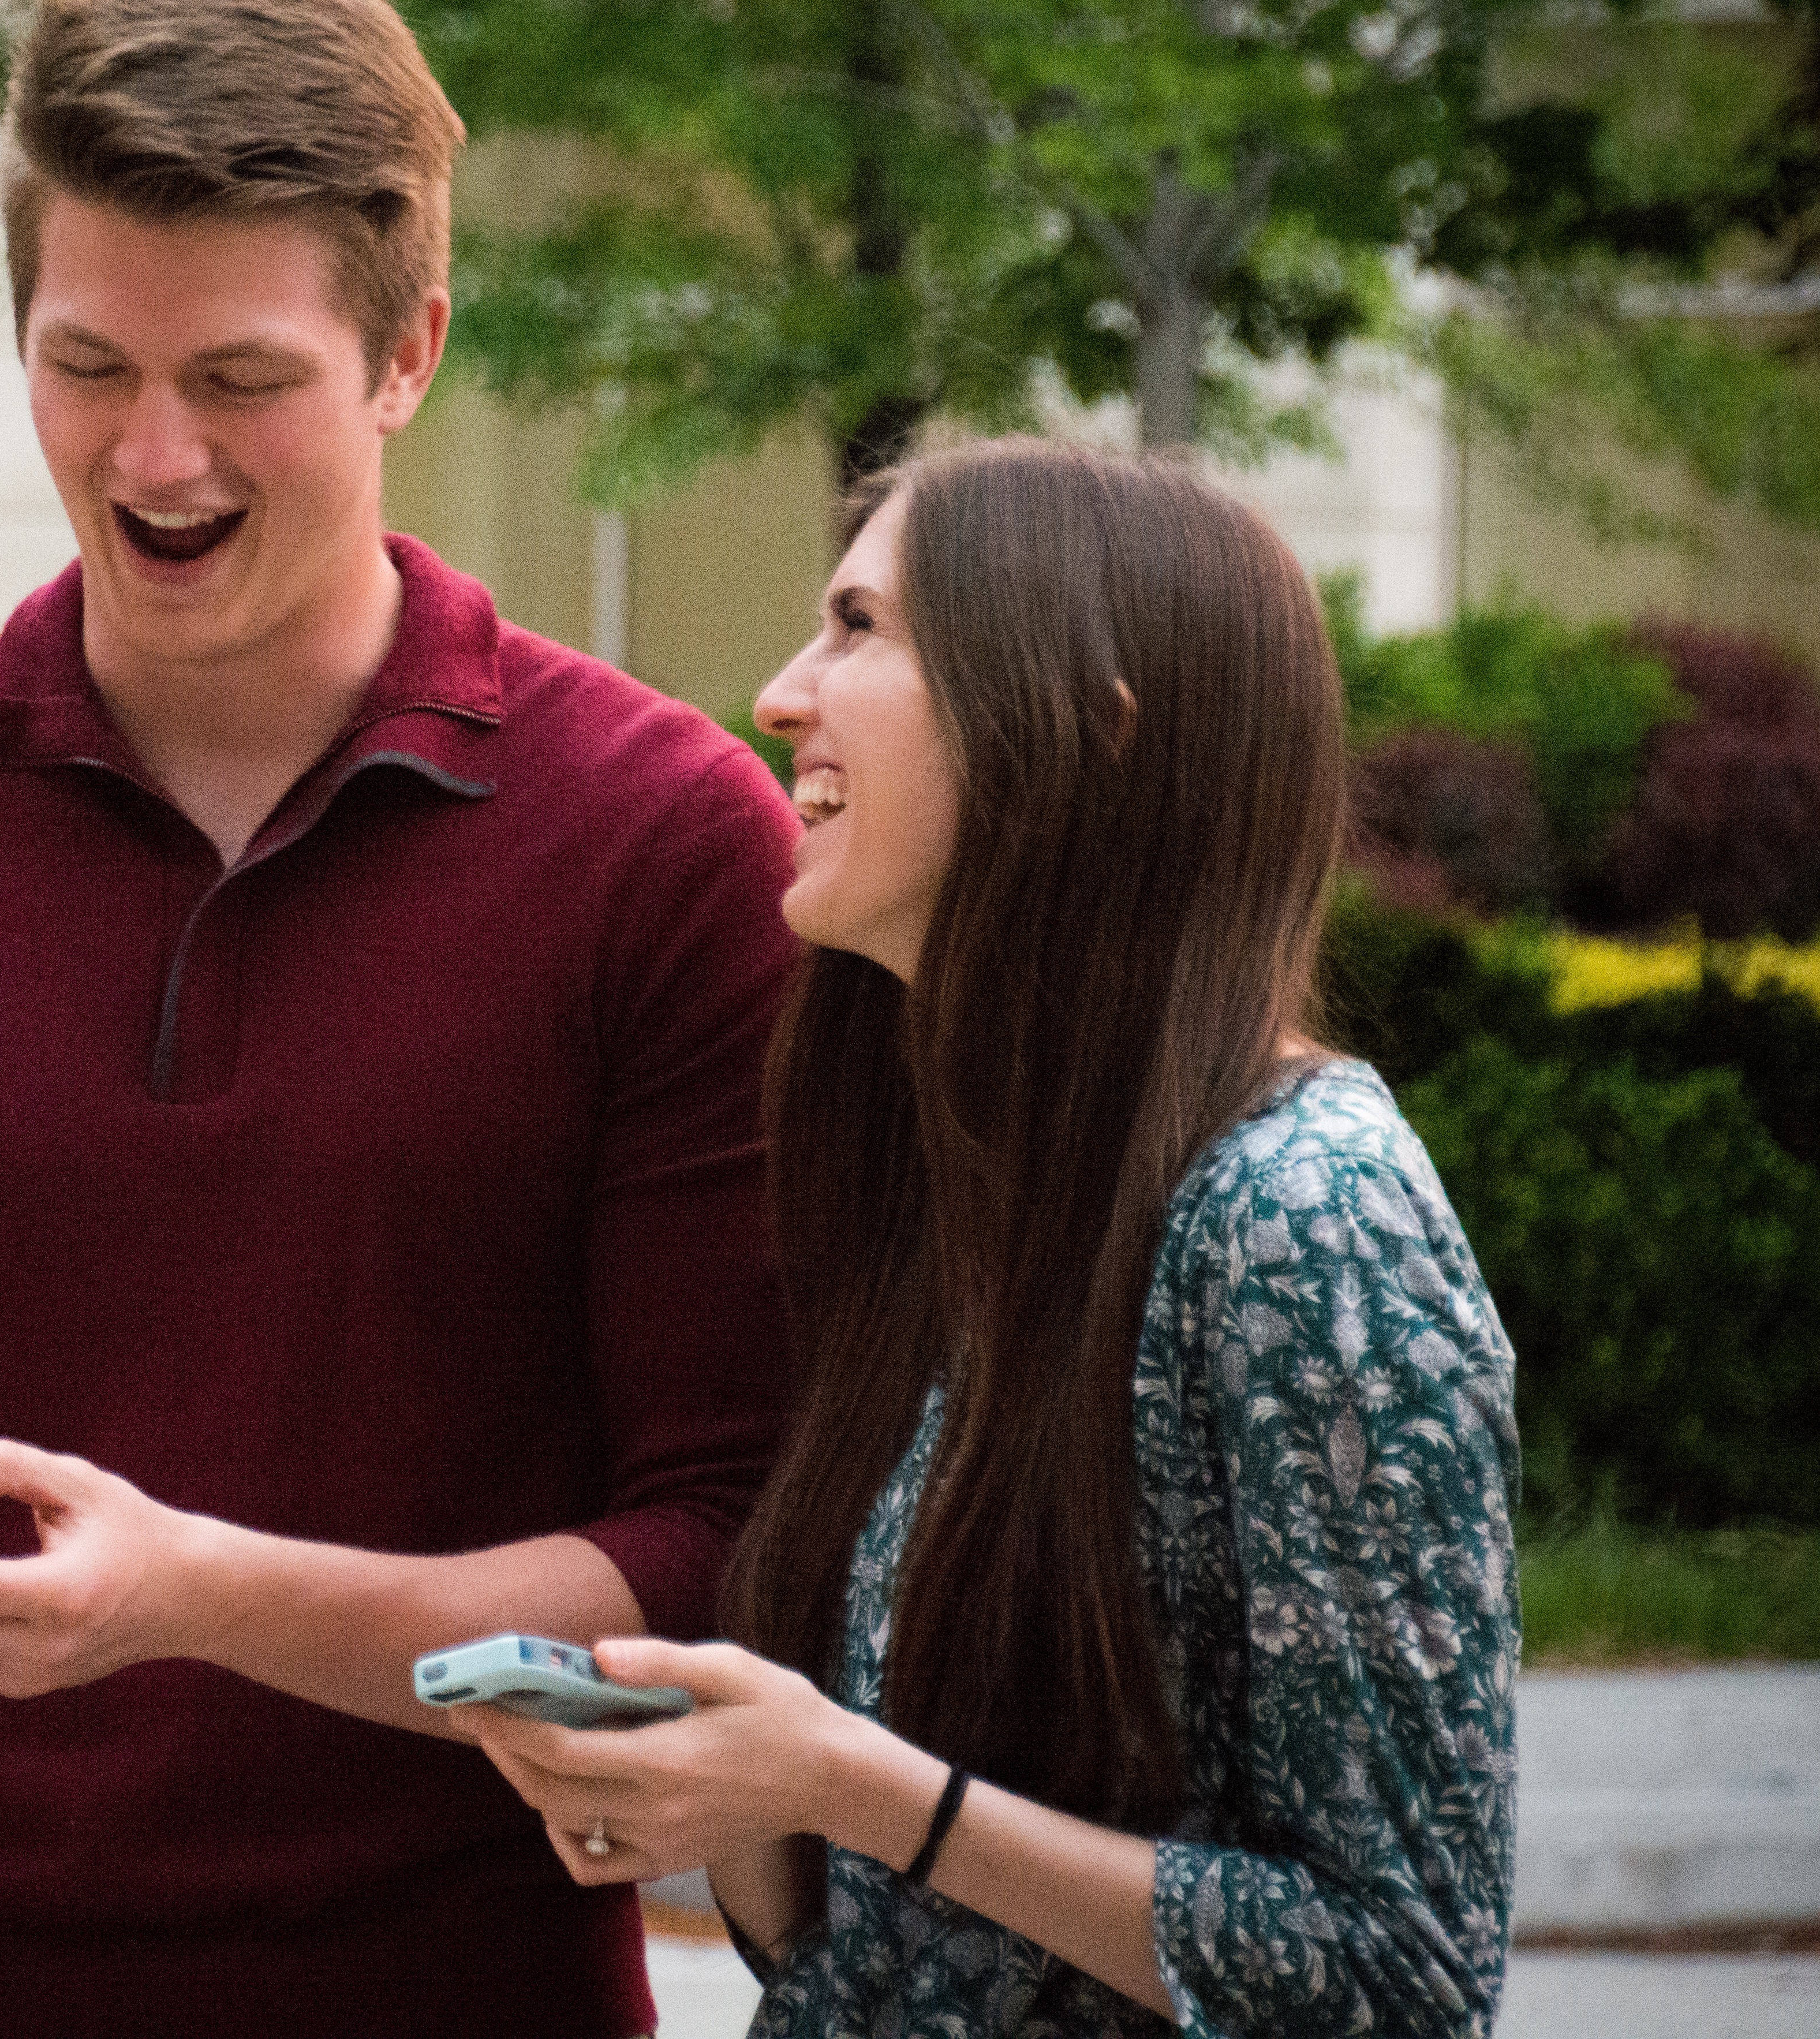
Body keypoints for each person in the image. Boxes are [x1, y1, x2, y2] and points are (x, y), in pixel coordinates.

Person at [0, 0, 803, 2037]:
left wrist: (201, 1601)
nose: (151, 460)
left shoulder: (664, 844)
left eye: (239, 382)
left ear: (409, 353)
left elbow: (728, 1570)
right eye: (86, 366)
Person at [461, 439, 1519, 2036]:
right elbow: (872, 1944)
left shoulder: (1306, 1218)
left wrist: (865, 1786)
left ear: (1084, 731)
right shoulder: (958, 1189)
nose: (780, 692)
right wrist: (727, 1802)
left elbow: (1398, 1975)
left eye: (862, 629)